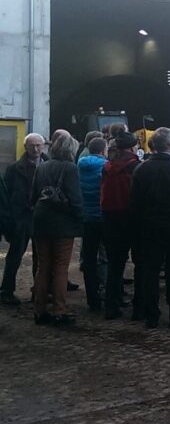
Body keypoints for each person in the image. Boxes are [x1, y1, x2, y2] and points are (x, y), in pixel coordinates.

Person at [130, 128, 170, 329]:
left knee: (150, 271)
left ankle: (152, 315)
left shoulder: (141, 169)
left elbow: (135, 202)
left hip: (149, 228)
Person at [30, 130, 83, 325]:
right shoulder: (70, 168)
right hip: (62, 223)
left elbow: (33, 195)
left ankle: (39, 308)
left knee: (43, 266)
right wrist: (80, 217)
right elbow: (76, 199)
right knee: (60, 267)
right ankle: (59, 309)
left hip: (41, 220)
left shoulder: (42, 167)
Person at [1, 133, 47, 305]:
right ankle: (6, 290)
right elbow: (7, 194)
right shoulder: (14, 168)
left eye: (38, 146)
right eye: (32, 146)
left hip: (41, 217)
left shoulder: (47, 165)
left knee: (41, 256)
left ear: (43, 146)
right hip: (21, 217)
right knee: (15, 255)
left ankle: (40, 291)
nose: (35, 149)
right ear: (25, 147)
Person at [101, 132, 141, 319]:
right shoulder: (136, 166)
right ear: (133, 148)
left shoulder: (107, 166)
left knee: (115, 264)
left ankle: (112, 304)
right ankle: (139, 306)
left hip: (110, 218)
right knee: (140, 263)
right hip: (132, 217)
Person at [77, 136, 108, 311]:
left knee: (88, 257)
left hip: (86, 217)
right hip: (103, 216)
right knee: (105, 256)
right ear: (104, 150)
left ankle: (92, 298)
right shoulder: (106, 167)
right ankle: (106, 290)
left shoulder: (79, 166)